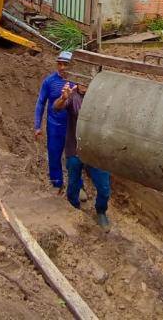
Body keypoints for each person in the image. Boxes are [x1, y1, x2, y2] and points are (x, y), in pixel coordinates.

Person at [54, 80, 112, 232]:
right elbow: (57, 108)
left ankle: (101, 211)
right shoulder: (72, 96)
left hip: (96, 152)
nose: (85, 84)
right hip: (75, 149)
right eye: (82, 80)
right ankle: (74, 207)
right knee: (73, 183)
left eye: (89, 80)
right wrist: (62, 98)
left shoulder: (102, 97)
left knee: (104, 187)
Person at [35, 51, 74, 191]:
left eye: (66, 64)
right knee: (54, 154)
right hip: (54, 125)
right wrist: (37, 125)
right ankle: (56, 182)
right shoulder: (49, 81)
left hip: (72, 126)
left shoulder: (77, 82)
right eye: (60, 64)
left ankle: (77, 185)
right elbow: (40, 103)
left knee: (74, 157)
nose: (62, 67)